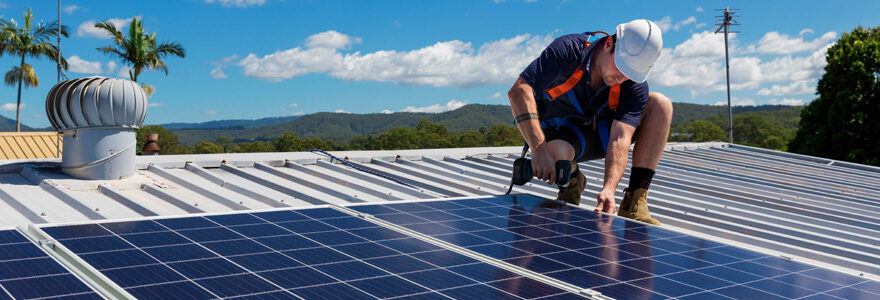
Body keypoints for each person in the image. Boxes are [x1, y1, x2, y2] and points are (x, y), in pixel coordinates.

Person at [507, 19, 672, 226]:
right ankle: (573, 181)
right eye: (619, 68)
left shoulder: (633, 85)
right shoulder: (568, 50)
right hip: (560, 132)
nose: (621, 78)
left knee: (660, 104)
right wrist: (538, 149)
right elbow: (519, 91)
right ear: (609, 44)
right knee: (560, 157)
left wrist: (609, 189)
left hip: (599, 134)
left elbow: (620, 137)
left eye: (629, 75)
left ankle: (634, 201)